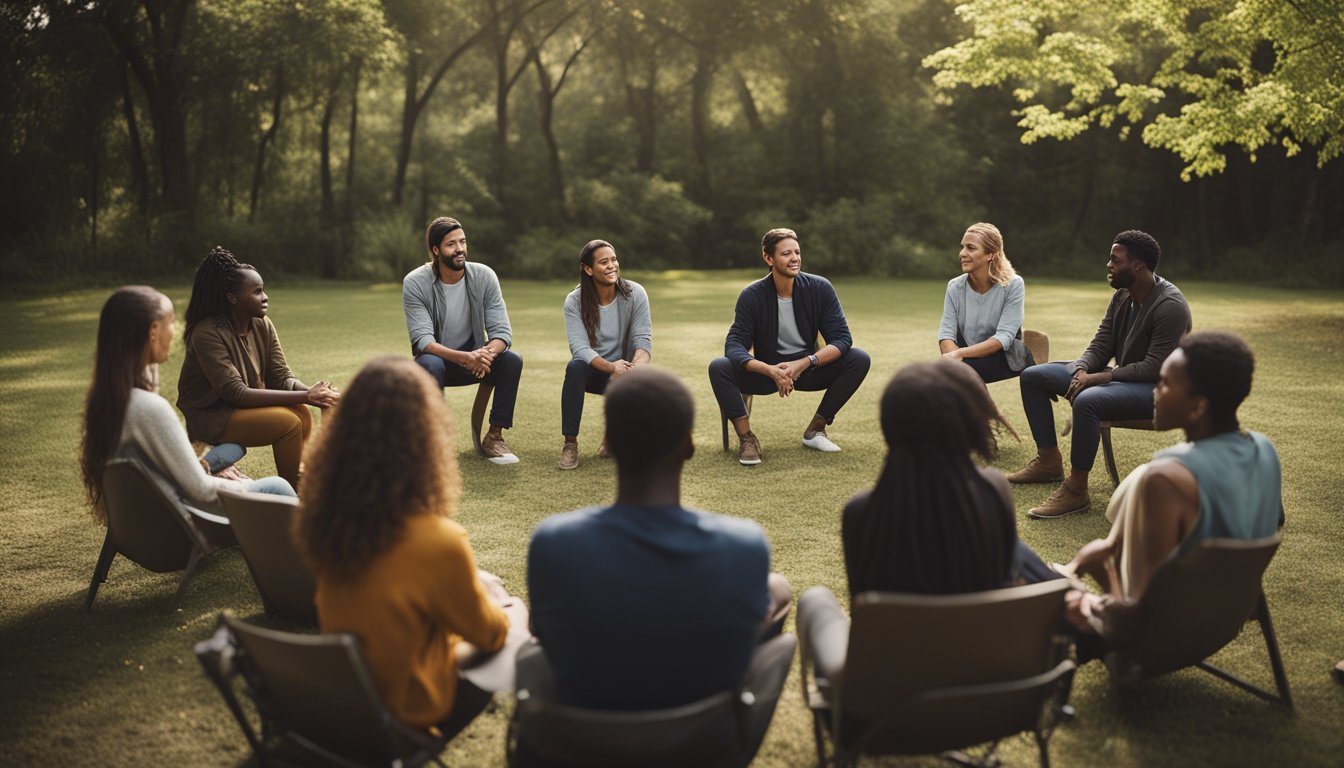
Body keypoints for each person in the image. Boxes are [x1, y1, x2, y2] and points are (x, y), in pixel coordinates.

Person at [527, 366, 793, 734]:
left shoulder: (553, 542)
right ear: (688, 445)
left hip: (586, 742)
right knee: (778, 590)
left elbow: (539, 632)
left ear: (612, 444)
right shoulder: (744, 545)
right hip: (704, 745)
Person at [796, 361, 1054, 711]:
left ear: (890, 428)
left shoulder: (862, 514)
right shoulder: (994, 493)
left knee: (814, 600)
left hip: (885, 708)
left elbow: (867, 607)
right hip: (984, 699)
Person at [293, 355, 526, 734]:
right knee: (514, 622)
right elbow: (489, 635)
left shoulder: (327, 521)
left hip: (343, 699)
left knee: (478, 588)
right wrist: (509, 609)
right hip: (403, 715)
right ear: (424, 438)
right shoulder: (438, 541)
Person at [1059, 332, 1282, 646]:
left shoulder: (1166, 478)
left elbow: (1141, 614)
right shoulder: (1265, 449)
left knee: (1049, 597)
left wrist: (1083, 601)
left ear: (1198, 407)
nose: (1153, 394)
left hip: (1166, 637)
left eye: (1163, 384)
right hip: (1231, 618)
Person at [1009, 229, 1191, 518]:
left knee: (1088, 399)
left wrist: (1096, 378)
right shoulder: (1122, 295)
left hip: (1158, 389)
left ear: (1138, 265)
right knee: (1034, 376)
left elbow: (1156, 367)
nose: (1108, 265)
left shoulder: (1170, 306)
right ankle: (1048, 462)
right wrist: (1082, 368)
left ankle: (1077, 490)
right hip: (1120, 378)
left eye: (1114, 260)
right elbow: (1101, 343)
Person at [80, 287, 294, 526]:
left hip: (145, 523)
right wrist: (242, 486)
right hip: (181, 524)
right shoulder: (149, 409)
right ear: (153, 331)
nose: (175, 332)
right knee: (277, 486)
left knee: (234, 450)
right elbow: (201, 489)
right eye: (170, 323)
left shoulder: (111, 399)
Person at [177, 247, 339, 489]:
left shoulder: (262, 325)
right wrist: (307, 395)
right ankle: (291, 490)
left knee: (301, 413)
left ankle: (301, 477)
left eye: (263, 290)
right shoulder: (207, 333)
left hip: (238, 408)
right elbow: (236, 393)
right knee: (288, 423)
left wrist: (318, 394)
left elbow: (281, 376)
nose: (265, 297)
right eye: (257, 292)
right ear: (233, 298)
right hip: (212, 415)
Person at [708, 227, 871, 465]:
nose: (794, 258)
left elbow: (842, 339)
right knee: (719, 366)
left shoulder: (820, 288)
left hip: (808, 370)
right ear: (768, 258)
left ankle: (816, 429)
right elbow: (734, 345)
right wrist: (768, 370)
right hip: (767, 374)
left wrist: (804, 362)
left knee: (859, 358)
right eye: (786, 254)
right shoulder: (751, 295)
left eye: (797, 252)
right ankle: (747, 438)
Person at [403, 217, 523, 464]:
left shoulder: (484, 276)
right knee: (430, 363)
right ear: (436, 250)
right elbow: (423, 340)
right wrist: (465, 358)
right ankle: (434, 443)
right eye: (451, 244)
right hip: (439, 362)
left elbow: (502, 332)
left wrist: (483, 355)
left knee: (511, 360)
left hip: (478, 360)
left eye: (463, 242)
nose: (460, 249)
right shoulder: (415, 282)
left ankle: (494, 437)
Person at [558, 239, 652, 470]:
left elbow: (643, 341)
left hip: (626, 369)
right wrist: (612, 368)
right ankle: (570, 444)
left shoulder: (635, 293)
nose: (611, 266)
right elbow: (579, 348)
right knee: (575, 367)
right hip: (595, 370)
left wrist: (634, 368)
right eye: (603, 262)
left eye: (613, 260)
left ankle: (613, 438)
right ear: (588, 269)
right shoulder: (574, 301)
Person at [937, 222, 1034, 382]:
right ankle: (988, 408)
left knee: (957, 375)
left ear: (991, 254)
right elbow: (946, 332)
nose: (962, 253)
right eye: (962, 247)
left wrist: (959, 354)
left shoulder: (1013, 284)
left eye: (971, 248)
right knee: (954, 372)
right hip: (967, 353)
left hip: (1004, 355)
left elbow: (1004, 337)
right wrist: (951, 357)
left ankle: (1029, 352)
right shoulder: (955, 286)